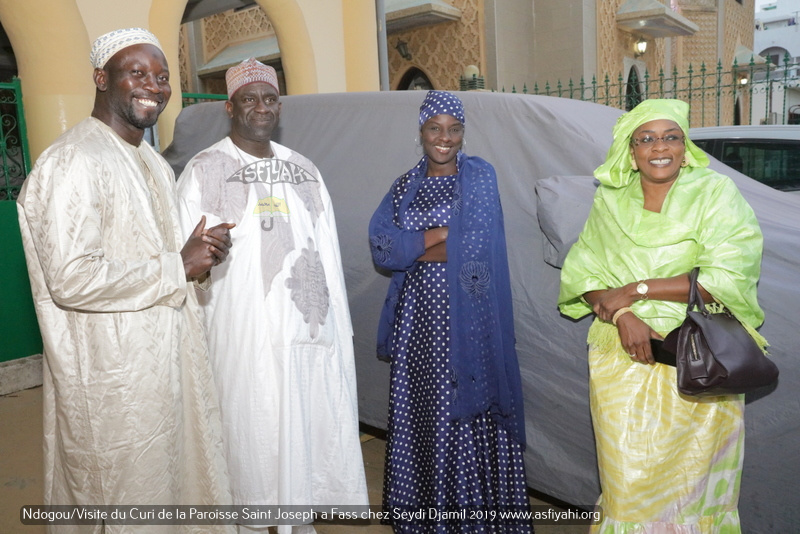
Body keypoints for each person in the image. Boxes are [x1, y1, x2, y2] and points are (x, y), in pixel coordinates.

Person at [16, 28, 234, 520]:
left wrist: (200, 259)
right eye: (137, 72)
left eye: (161, 76)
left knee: (176, 480)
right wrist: (177, 264)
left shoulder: (154, 163)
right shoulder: (72, 160)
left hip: (167, 361)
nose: (154, 86)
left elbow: (165, 260)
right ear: (101, 78)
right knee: (122, 492)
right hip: (113, 376)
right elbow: (70, 278)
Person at [176, 58, 368, 534]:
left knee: (300, 431)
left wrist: (335, 328)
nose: (260, 108)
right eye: (249, 99)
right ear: (229, 107)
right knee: (252, 431)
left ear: (277, 106)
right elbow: (183, 260)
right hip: (242, 335)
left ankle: (296, 522)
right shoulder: (205, 171)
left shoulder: (304, 170)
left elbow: (327, 251)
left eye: (269, 99)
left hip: (306, 330)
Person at [558, 99, 767, 532]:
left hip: (700, 363)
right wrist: (622, 316)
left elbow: (727, 275)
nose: (660, 147)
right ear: (630, 152)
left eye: (671, 136)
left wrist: (634, 290)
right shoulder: (610, 202)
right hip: (622, 361)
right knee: (628, 488)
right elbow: (584, 273)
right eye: (646, 138)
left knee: (694, 491)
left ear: (685, 146)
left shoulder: (715, 193)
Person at [369, 90, 532, 533]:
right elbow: (383, 246)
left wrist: (418, 244)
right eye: (435, 128)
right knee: (424, 407)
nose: (444, 138)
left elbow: (480, 248)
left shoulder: (480, 178)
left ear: (463, 134)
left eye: (454, 129)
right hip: (417, 321)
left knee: (464, 404)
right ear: (421, 132)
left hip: (469, 320)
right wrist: (441, 234)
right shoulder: (405, 185)